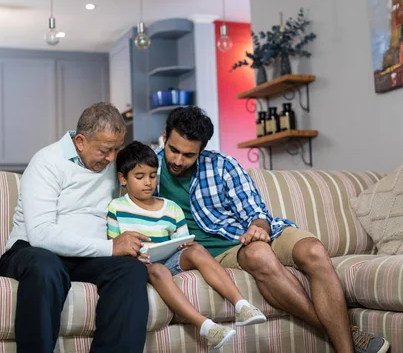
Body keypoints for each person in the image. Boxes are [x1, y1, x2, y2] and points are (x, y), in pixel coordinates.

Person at [154, 106, 390, 353]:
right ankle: (348, 340)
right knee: (259, 254)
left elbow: (256, 213)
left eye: (189, 155)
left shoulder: (223, 166)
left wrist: (257, 228)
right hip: (220, 252)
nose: (178, 160)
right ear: (165, 137)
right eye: (173, 150)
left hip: (251, 233)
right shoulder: (150, 170)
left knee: (314, 250)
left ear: (202, 151)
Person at [0, 103, 151, 353]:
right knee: (45, 265)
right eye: (105, 150)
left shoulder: (110, 164)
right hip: (30, 252)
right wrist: (111, 246)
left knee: (131, 270)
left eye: (116, 149)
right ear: (80, 141)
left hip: (85, 257)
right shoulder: (47, 162)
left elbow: (147, 175)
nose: (112, 158)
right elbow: (41, 234)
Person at [107, 141, 267, 349]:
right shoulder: (117, 207)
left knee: (196, 249)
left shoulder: (170, 208)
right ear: (123, 179)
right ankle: (207, 327)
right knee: (158, 270)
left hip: (168, 259)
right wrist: (131, 256)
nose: (148, 182)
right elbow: (114, 247)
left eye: (153, 176)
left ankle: (242, 305)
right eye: (140, 177)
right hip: (141, 265)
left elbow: (182, 241)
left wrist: (183, 246)